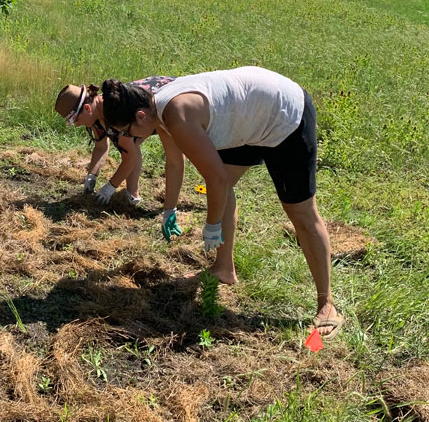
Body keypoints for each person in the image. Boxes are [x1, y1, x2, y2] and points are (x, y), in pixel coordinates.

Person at [102, 67, 345, 338]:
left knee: (301, 213)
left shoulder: (176, 115)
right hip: (247, 119)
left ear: (140, 116)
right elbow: (181, 165)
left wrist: (212, 225)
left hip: (284, 116)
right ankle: (223, 269)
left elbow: (214, 179)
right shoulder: (156, 106)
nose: (134, 140)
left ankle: (327, 304)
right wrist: (170, 209)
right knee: (224, 186)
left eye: (131, 133)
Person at [55, 77, 175, 205]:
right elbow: (101, 147)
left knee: (178, 151)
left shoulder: (114, 113)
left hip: (168, 101)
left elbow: (129, 157)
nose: (77, 125)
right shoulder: (95, 117)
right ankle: (132, 196)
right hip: (147, 116)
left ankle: (136, 196)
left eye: (75, 120)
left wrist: (110, 187)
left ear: (87, 108)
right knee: (132, 145)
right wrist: (92, 175)